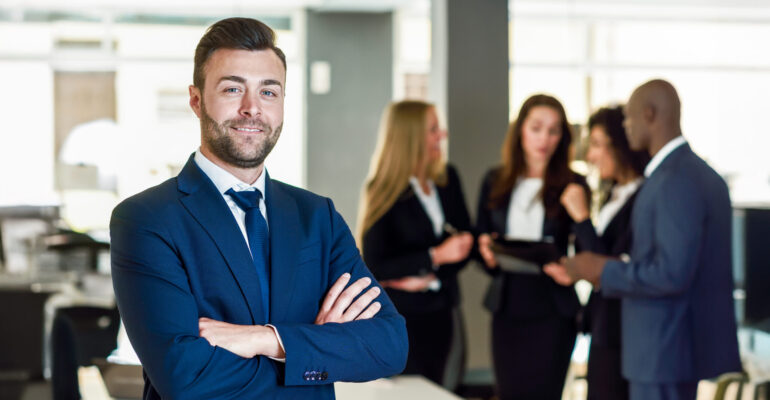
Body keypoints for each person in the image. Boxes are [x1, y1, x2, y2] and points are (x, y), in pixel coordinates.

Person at [110, 17, 408, 399]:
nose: (252, 108)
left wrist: (266, 339)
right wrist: (315, 347)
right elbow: (184, 378)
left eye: (269, 92)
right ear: (196, 100)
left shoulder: (317, 217)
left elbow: (389, 345)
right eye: (233, 89)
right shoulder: (146, 219)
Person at [545, 79, 742, 400]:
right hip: (669, 350)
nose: (626, 127)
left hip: (662, 350)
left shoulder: (673, 179)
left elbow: (671, 273)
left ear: (650, 114)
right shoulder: (689, 173)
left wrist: (598, 268)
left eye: (629, 118)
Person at [476, 94, 588, 400]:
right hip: (508, 305)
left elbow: (588, 250)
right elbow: (480, 242)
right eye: (537, 128)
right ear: (520, 130)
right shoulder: (495, 181)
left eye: (553, 131)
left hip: (552, 308)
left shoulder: (574, 184)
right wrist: (486, 252)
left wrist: (573, 269)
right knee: (509, 392)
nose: (544, 139)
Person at [357, 101, 473, 387]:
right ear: (411, 137)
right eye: (433, 129)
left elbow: (464, 242)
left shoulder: (448, 180)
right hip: (401, 317)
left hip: (444, 309)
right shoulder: (382, 190)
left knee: (444, 386)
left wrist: (431, 271)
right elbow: (374, 264)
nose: (442, 136)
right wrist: (433, 256)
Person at [548, 105, 649, 400]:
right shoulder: (614, 193)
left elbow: (608, 266)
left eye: (595, 144)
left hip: (623, 330)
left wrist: (581, 219)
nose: (590, 156)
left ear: (620, 143)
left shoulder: (644, 198)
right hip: (603, 325)